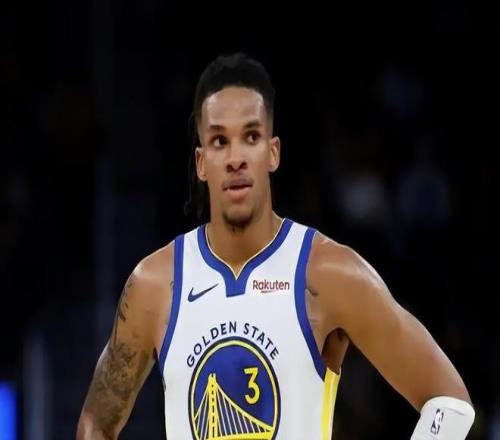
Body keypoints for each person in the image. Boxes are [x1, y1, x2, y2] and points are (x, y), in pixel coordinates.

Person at [76, 53, 475, 440]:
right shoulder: (154, 284)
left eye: (250, 137)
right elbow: (96, 423)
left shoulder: (328, 272)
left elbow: (450, 402)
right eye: (219, 141)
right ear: (200, 163)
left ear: (273, 152)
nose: (235, 158)